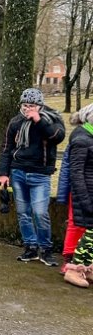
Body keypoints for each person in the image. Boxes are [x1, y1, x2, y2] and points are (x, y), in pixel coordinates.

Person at [0, 88, 65, 266]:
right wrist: (3, 173)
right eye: (25, 106)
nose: (28, 109)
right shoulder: (15, 122)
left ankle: (46, 249)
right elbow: (6, 149)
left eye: (32, 106)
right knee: (23, 213)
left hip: (40, 174)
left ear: (40, 106)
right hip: (18, 171)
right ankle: (30, 247)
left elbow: (56, 136)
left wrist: (37, 119)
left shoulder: (51, 118)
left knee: (40, 213)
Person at [64, 103, 93, 287]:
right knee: (88, 233)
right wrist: (85, 201)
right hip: (87, 193)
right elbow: (76, 173)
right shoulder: (82, 138)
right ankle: (74, 269)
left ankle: (87, 268)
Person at [56, 112, 85, 274]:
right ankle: (69, 260)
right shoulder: (81, 137)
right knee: (76, 223)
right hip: (80, 187)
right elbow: (72, 168)